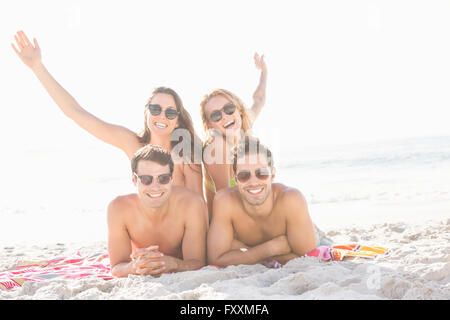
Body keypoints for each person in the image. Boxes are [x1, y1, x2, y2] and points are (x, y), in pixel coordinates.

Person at [11, 30, 204, 198]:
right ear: (146, 113)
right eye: (155, 109)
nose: (161, 116)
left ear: (178, 120)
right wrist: (37, 67)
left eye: (170, 112)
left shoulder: (186, 154)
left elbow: (198, 207)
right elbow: (75, 112)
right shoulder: (133, 144)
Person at [207, 136, 330, 267]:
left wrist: (245, 249)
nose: (253, 182)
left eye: (261, 173)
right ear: (236, 179)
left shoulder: (291, 200)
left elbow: (307, 258)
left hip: (309, 230)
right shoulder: (225, 202)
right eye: (244, 175)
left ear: (272, 175)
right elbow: (216, 259)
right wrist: (270, 248)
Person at [107, 145, 207, 277]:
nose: (155, 187)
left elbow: (198, 263)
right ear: (134, 180)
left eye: (163, 178)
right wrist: (134, 267)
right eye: (146, 179)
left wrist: (173, 264)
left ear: (171, 179)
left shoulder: (190, 204)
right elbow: (116, 267)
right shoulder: (119, 208)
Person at [200, 53, 268, 217]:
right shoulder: (217, 146)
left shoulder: (244, 130)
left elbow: (259, 100)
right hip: (227, 225)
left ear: (239, 109)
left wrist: (263, 70)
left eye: (229, 109)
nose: (225, 116)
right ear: (210, 124)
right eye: (216, 115)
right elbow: (226, 201)